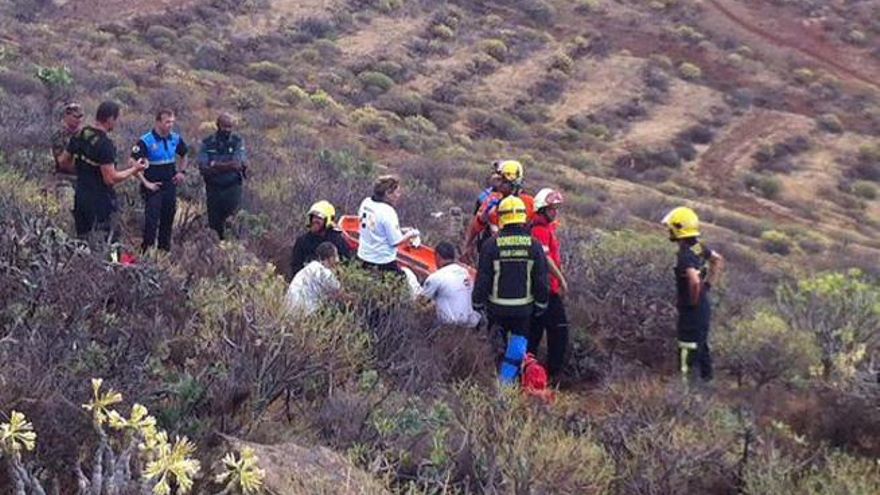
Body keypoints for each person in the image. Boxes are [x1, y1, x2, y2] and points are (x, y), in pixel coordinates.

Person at [473, 196, 549, 385]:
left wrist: (477, 302)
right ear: (523, 217)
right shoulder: (534, 246)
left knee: (495, 345)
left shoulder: (491, 245)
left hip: (496, 308)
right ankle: (507, 385)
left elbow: (483, 278)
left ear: (501, 217)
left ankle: (490, 378)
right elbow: (541, 280)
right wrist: (541, 304)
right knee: (517, 345)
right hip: (523, 310)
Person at [56, 101, 147, 243]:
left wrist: (84, 170)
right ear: (110, 119)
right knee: (108, 243)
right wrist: (134, 169)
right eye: (116, 120)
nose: (116, 124)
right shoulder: (105, 145)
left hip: (80, 199)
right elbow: (110, 178)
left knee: (83, 242)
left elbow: (63, 162)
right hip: (100, 205)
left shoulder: (81, 134)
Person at [661, 206, 725, 383]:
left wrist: (692, 301)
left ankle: (687, 394)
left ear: (678, 228)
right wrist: (709, 285)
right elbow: (717, 259)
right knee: (701, 346)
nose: (668, 230)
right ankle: (706, 387)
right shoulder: (697, 247)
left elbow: (694, 280)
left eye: (670, 227)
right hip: (703, 308)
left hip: (692, 312)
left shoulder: (684, 255)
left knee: (687, 351)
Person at [130, 109, 189, 252]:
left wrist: (182, 172)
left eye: (172, 122)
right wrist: (146, 183)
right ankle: (146, 253)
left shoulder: (175, 138)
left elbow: (184, 154)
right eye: (167, 122)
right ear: (158, 122)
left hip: (170, 186)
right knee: (151, 222)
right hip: (153, 188)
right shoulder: (146, 140)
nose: (170, 125)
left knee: (167, 221)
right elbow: (132, 161)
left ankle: (164, 254)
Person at [528, 188, 571, 378]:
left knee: (536, 331)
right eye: (551, 209)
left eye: (556, 209)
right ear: (542, 209)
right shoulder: (539, 230)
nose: (555, 212)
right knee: (558, 333)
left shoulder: (544, 228)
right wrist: (561, 280)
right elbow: (545, 258)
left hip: (544, 289)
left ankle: (534, 373)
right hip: (547, 290)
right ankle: (551, 375)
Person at [463, 160, 535, 261]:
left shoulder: (529, 203)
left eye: (504, 181)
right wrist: (468, 245)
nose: (500, 184)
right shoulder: (492, 200)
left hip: (520, 254)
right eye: (499, 180)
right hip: (494, 253)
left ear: (514, 183)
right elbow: (476, 224)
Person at [356, 175, 420, 274]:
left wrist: (401, 230)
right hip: (382, 262)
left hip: (363, 256)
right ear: (387, 193)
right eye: (397, 192)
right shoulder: (388, 212)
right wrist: (412, 234)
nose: (398, 195)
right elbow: (395, 241)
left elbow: (374, 227)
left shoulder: (366, 202)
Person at [197, 112, 246, 240]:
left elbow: (237, 164)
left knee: (232, 224)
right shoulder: (207, 143)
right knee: (214, 226)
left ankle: (230, 251)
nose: (228, 130)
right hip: (213, 190)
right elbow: (203, 167)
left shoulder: (237, 141)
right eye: (225, 127)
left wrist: (214, 164)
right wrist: (227, 166)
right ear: (218, 126)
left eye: (230, 127)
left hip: (232, 189)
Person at [419, 241, 481, 328]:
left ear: (438, 257)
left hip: (449, 325)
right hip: (468, 322)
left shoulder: (436, 277)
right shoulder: (465, 272)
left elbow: (420, 302)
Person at [290, 200, 352, 276]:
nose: (315, 220)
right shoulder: (302, 241)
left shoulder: (338, 241)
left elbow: (346, 265)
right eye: (313, 217)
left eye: (319, 218)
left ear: (327, 220)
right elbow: (296, 267)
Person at [285, 242, 342, 316]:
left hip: (289, 310)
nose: (338, 259)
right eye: (336, 255)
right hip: (305, 312)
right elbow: (339, 292)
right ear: (331, 258)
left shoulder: (311, 267)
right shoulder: (324, 273)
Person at [49, 102, 84, 211]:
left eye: (80, 117)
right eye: (75, 117)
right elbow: (61, 162)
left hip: (82, 179)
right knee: (68, 208)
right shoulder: (59, 135)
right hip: (64, 179)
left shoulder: (83, 135)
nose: (78, 120)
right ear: (67, 116)